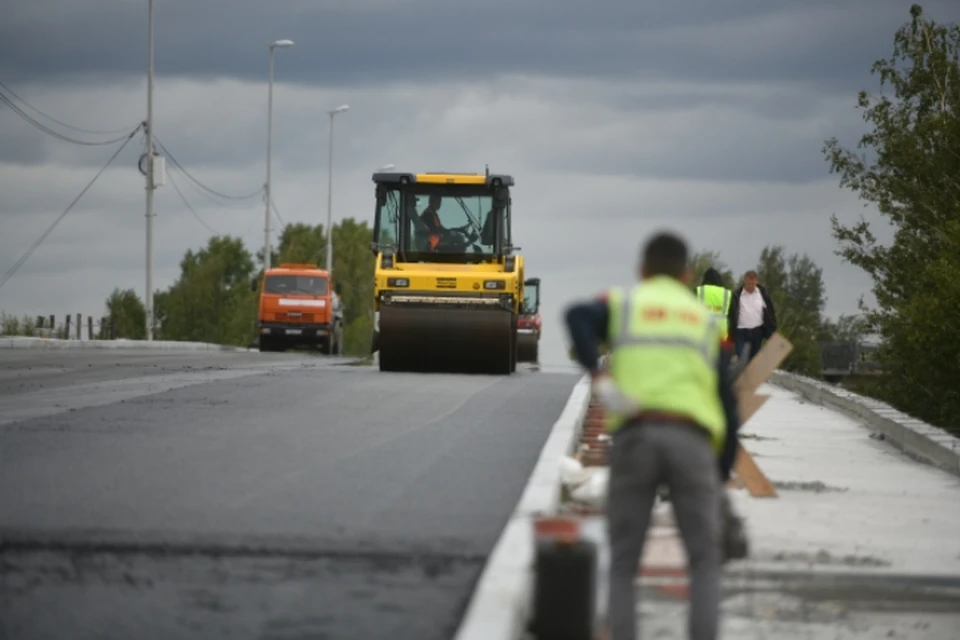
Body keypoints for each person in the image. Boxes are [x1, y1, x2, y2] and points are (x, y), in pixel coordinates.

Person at [565, 231, 740, 640]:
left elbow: (576, 316)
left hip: (636, 437)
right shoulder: (703, 321)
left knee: (624, 561)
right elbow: (726, 402)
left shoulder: (625, 305)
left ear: (642, 270)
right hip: (692, 442)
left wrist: (598, 373)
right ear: (686, 274)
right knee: (703, 560)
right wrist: (722, 468)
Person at [726, 270, 777, 363]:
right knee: (742, 358)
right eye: (748, 284)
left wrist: (771, 331)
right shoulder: (737, 295)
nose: (750, 286)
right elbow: (731, 313)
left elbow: (770, 313)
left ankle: (747, 376)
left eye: (752, 284)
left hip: (757, 332)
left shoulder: (763, 294)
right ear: (745, 281)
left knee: (752, 360)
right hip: (741, 332)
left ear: (756, 282)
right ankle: (741, 374)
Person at [695, 268, 733, 341]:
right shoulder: (727, 294)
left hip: (702, 335)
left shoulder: (697, 291)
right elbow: (733, 318)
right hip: (721, 337)